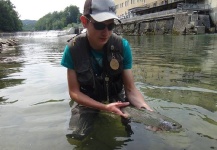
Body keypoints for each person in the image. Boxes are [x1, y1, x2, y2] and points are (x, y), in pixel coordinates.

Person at [61, 0, 152, 140]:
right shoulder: (72, 50)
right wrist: (104, 108)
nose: (106, 32)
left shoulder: (122, 46)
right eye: (99, 25)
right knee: (77, 137)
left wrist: (149, 113)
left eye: (111, 26)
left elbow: (130, 90)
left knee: (132, 136)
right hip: (87, 101)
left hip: (117, 99)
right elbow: (74, 92)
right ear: (84, 21)